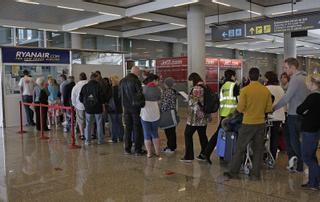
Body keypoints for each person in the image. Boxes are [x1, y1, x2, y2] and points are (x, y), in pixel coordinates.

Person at [224, 67, 273, 180]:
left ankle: (233, 172)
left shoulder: (245, 90)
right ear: (259, 76)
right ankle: (255, 174)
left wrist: (231, 117)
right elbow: (268, 109)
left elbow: (240, 109)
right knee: (258, 149)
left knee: (240, 147)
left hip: (248, 123)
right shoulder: (265, 90)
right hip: (261, 123)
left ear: (249, 76)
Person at [273, 58, 309, 172]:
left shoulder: (295, 79)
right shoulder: (305, 77)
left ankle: (300, 163)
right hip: (304, 114)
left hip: (294, 114)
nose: (284, 70)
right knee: (296, 139)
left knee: (293, 141)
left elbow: (287, 97)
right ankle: (298, 164)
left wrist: (273, 108)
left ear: (293, 67)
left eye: (286, 67)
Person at [202, 69, 240, 164]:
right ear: (232, 76)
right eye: (234, 76)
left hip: (223, 114)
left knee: (219, 134)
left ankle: (207, 153)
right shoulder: (234, 85)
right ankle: (231, 155)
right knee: (234, 135)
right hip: (233, 115)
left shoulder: (223, 86)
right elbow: (239, 100)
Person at [297, 73, 320, 191]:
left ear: (313, 83)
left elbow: (299, 109)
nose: (307, 85)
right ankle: (313, 182)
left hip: (309, 130)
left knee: (306, 157)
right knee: (312, 156)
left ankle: (316, 181)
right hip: (316, 130)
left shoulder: (312, 97)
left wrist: (306, 113)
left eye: (308, 83)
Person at [180, 73, 210, 163]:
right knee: (202, 136)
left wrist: (188, 99)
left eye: (190, 81)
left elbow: (194, 103)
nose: (190, 84)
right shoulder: (205, 86)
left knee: (187, 134)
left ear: (194, 80)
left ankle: (189, 156)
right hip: (203, 117)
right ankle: (204, 154)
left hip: (195, 118)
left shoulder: (197, 88)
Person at [119, 66, 146, 156]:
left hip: (126, 108)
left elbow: (120, 95)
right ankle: (137, 149)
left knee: (128, 128)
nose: (139, 74)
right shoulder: (136, 81)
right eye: (138, 72)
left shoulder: (122, 81)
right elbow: (139, 95)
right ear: (136, 72)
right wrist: (142, 103)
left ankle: (127, 149)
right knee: (137, 128)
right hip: (135, 108)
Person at [264, 71, 285, 163]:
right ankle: (272, 156)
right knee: (275, 137)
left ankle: (265, 155)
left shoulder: (266, 88)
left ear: (268, 78)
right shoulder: (280, 88)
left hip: (270, 116)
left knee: (265, 137)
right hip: (279, 116)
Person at [79, 73, 106, 145]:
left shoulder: (85, 87)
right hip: (98, 108)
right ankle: (100, 141)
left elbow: (80, 98)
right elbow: (102, 98)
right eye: (98, 78)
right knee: (99, 124)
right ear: (95, 78)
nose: (99, 79)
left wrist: (86, 104)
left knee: (88, 124)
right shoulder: (99, 86)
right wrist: (102, 105)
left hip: (88, 109)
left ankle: (87, 141)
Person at [140, 74, 161, 158]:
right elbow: (159, 100)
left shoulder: (143, 89)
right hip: (155, 114)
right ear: (154, 80)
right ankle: (157, 152)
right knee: (155, 133)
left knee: (146, 134)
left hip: (145, 114)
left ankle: (149, 153)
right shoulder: (158, 89)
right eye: (158, 80)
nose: (158, 82)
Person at [160, 77, 178, 153]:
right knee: (172, 131)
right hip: (172, 112)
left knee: (169, 131)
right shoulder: (173, 91)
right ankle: (172, 146)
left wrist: (160, 109)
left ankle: (170, 147)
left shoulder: (167, 92)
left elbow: (165, 104)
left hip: (167, 114)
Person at [107, 75, 124, 143]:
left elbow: (108, 98)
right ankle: (121, 137)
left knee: (113, 124)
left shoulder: (111, 89)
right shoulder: (120, 88)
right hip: (119, 108)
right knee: (120, 123)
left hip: (113, 109)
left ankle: (114, 138)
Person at [71, 73, 88, 140]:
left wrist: (74, 105)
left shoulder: (76, 86)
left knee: (80, 120)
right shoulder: (88, 84)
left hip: (79, 105)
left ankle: (82, 134)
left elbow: (73, 97)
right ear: (86, 77)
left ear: (79, 78)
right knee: (89, 120)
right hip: (88, 105)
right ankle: (90, 134)